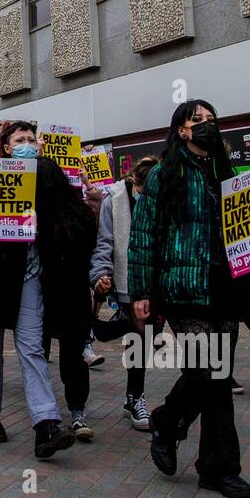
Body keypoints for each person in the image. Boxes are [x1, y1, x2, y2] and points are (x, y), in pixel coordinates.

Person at [128, 100, 250, 498]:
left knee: (216, 377)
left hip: (225, 285)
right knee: (207, 371)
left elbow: (246, 229)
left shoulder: (227, 173)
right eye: (198, 120)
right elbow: (143, 233)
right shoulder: (164, 174)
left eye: (212, 119)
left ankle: (203, 454)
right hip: (184, 286)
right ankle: (185, 437)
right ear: (181, 130)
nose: (207, 125)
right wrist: (141, 291)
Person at [0, 122, 94, 455]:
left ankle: (45, 423)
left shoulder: (49, 176)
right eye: (19, 140)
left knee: (32, 348)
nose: (27, 144)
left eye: (31, 140)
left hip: (30, 276)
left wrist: (86, 195)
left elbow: (72, 223)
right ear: (5, 148)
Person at [91, 156, 158, 430]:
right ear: (133, 181)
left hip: (158, 279)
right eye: (143, 189)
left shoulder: (163, 197)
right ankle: (135, 396)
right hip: (128, 279)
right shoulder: (114, 201)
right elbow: (105, 241)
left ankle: (102, 330)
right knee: (140, 334)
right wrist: (101, 274)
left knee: (147, 334)